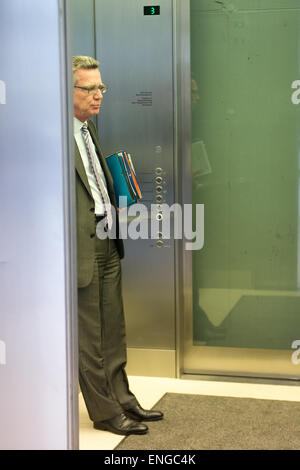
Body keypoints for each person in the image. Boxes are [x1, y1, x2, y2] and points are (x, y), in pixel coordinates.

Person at [73, 56, 163, 436]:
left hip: (108, 237)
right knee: (90, 335)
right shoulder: (53, 135)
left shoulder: (87, 129)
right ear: (66, 91)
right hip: (81, 245)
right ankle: (105, 411)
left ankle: (123, 398)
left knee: (114, 328)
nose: (98, 95)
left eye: (101, 88)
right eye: (89, 88)